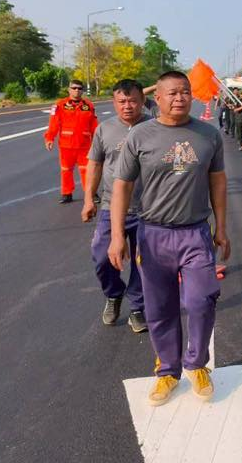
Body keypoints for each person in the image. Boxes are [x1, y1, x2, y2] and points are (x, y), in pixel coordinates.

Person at [108, 71, 231, 407]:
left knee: (201, 300)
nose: (180, 98)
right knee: (160, 308)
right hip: (152, 235)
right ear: (158, 98)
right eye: (173, 93)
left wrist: (221, 227)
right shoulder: (141, 136)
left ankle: (197, 363)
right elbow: (122, 187)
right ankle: (168, 370)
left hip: (195, 233)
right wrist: (118, 235)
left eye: (186, 92)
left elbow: (217, 182)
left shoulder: (208, 135)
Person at [81, 79, 149, 333]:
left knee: (145, 262)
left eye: (132, 100)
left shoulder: (154, 127)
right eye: (122, 101)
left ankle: (137, 307)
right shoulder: (105, 129)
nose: (127, 106)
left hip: (148, 209)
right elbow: (95, 165)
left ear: (142, 101)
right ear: (114, 103)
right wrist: (89, 198)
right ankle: (113, 293)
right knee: (102, 257)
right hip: (112, 207)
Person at [44, 79, 98, 203]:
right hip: (66, 145)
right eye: (74, 88)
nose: (76, 90)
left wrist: (98, 141)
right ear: (69, 89)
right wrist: (49, 138)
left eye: (79, 88)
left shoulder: (88, 106)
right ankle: (67, 194)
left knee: (88, 170)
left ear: (82, 90)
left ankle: (91, 194)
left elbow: (94, 125)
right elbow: (53, 124)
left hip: (84, 145)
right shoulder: (59, 105)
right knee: (66, 170)